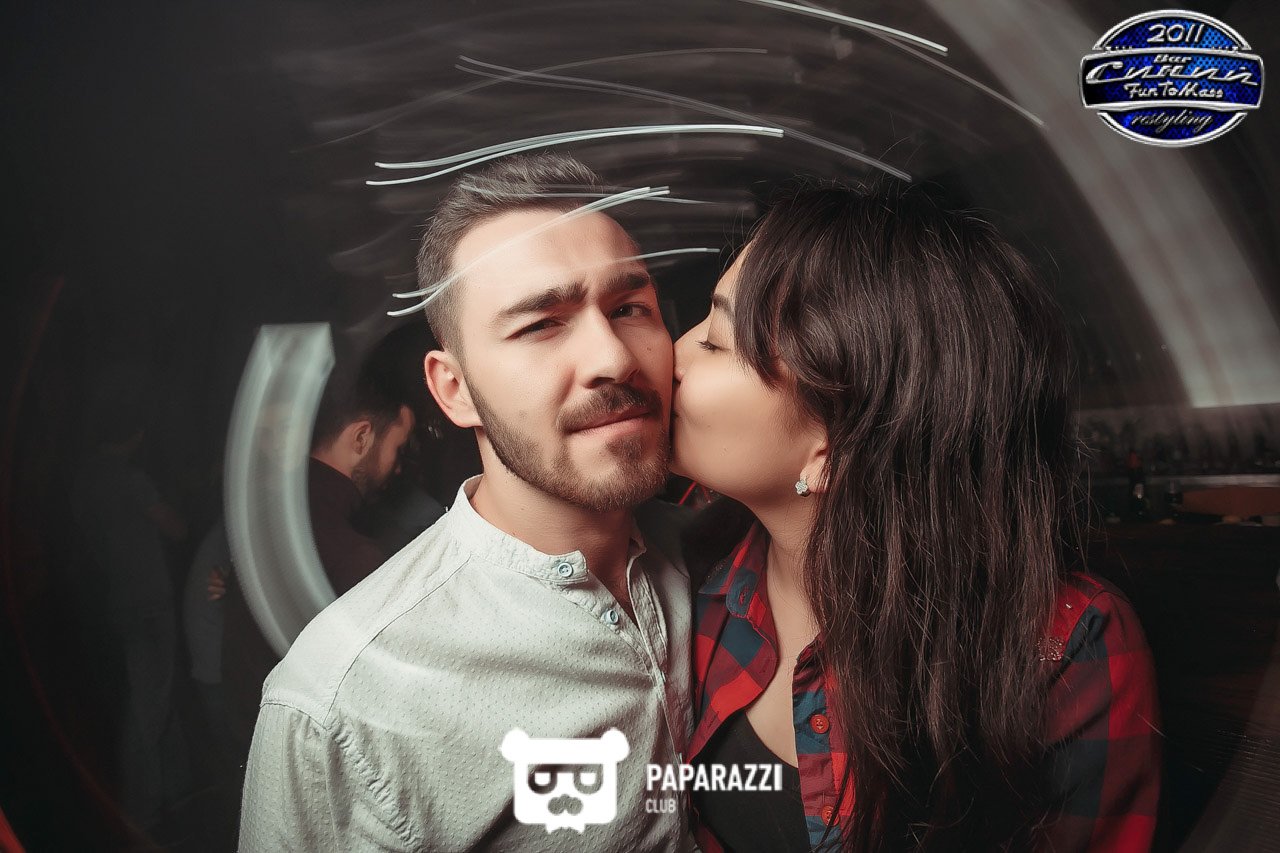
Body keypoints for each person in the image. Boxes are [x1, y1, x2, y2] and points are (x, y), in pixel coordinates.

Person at [672, 182, 1162, 851]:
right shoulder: (689, 574)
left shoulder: (1064, 647)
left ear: (835, 449)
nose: (668, 355)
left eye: (713, 341)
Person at [238, 154, 693, 851]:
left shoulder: (726, 559)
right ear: (454, 390)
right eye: (541, 324)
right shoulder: (343, 704)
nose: (613, 358)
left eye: (629, 308)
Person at [307, 370, 416, 595]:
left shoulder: (272, 505)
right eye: (399, 450)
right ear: (361, 438)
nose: (398, 469)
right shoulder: (355, 558)